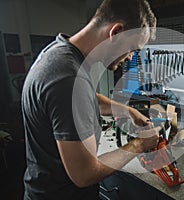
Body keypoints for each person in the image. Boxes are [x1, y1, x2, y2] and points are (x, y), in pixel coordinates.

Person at [21, 0, 158, 199]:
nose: (130, 58)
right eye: (133, 48)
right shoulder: (67, 78)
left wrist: (129, 111)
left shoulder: (59, 53)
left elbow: (82, 99)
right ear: (116, 32)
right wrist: (139, 145)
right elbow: (84, 174)